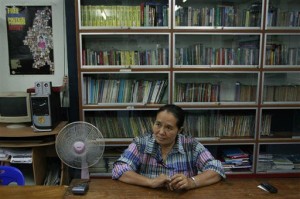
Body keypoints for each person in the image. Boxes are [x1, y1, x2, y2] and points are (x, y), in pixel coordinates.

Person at [112, 104, 225, 191]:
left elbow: (216, 168)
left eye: (169, 128)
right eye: (158, 124)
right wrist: (150, 182)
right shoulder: (141, 143)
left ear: (179, 130)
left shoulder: (191, 145)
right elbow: (119, 168)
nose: (161, 132)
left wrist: (191, 182)